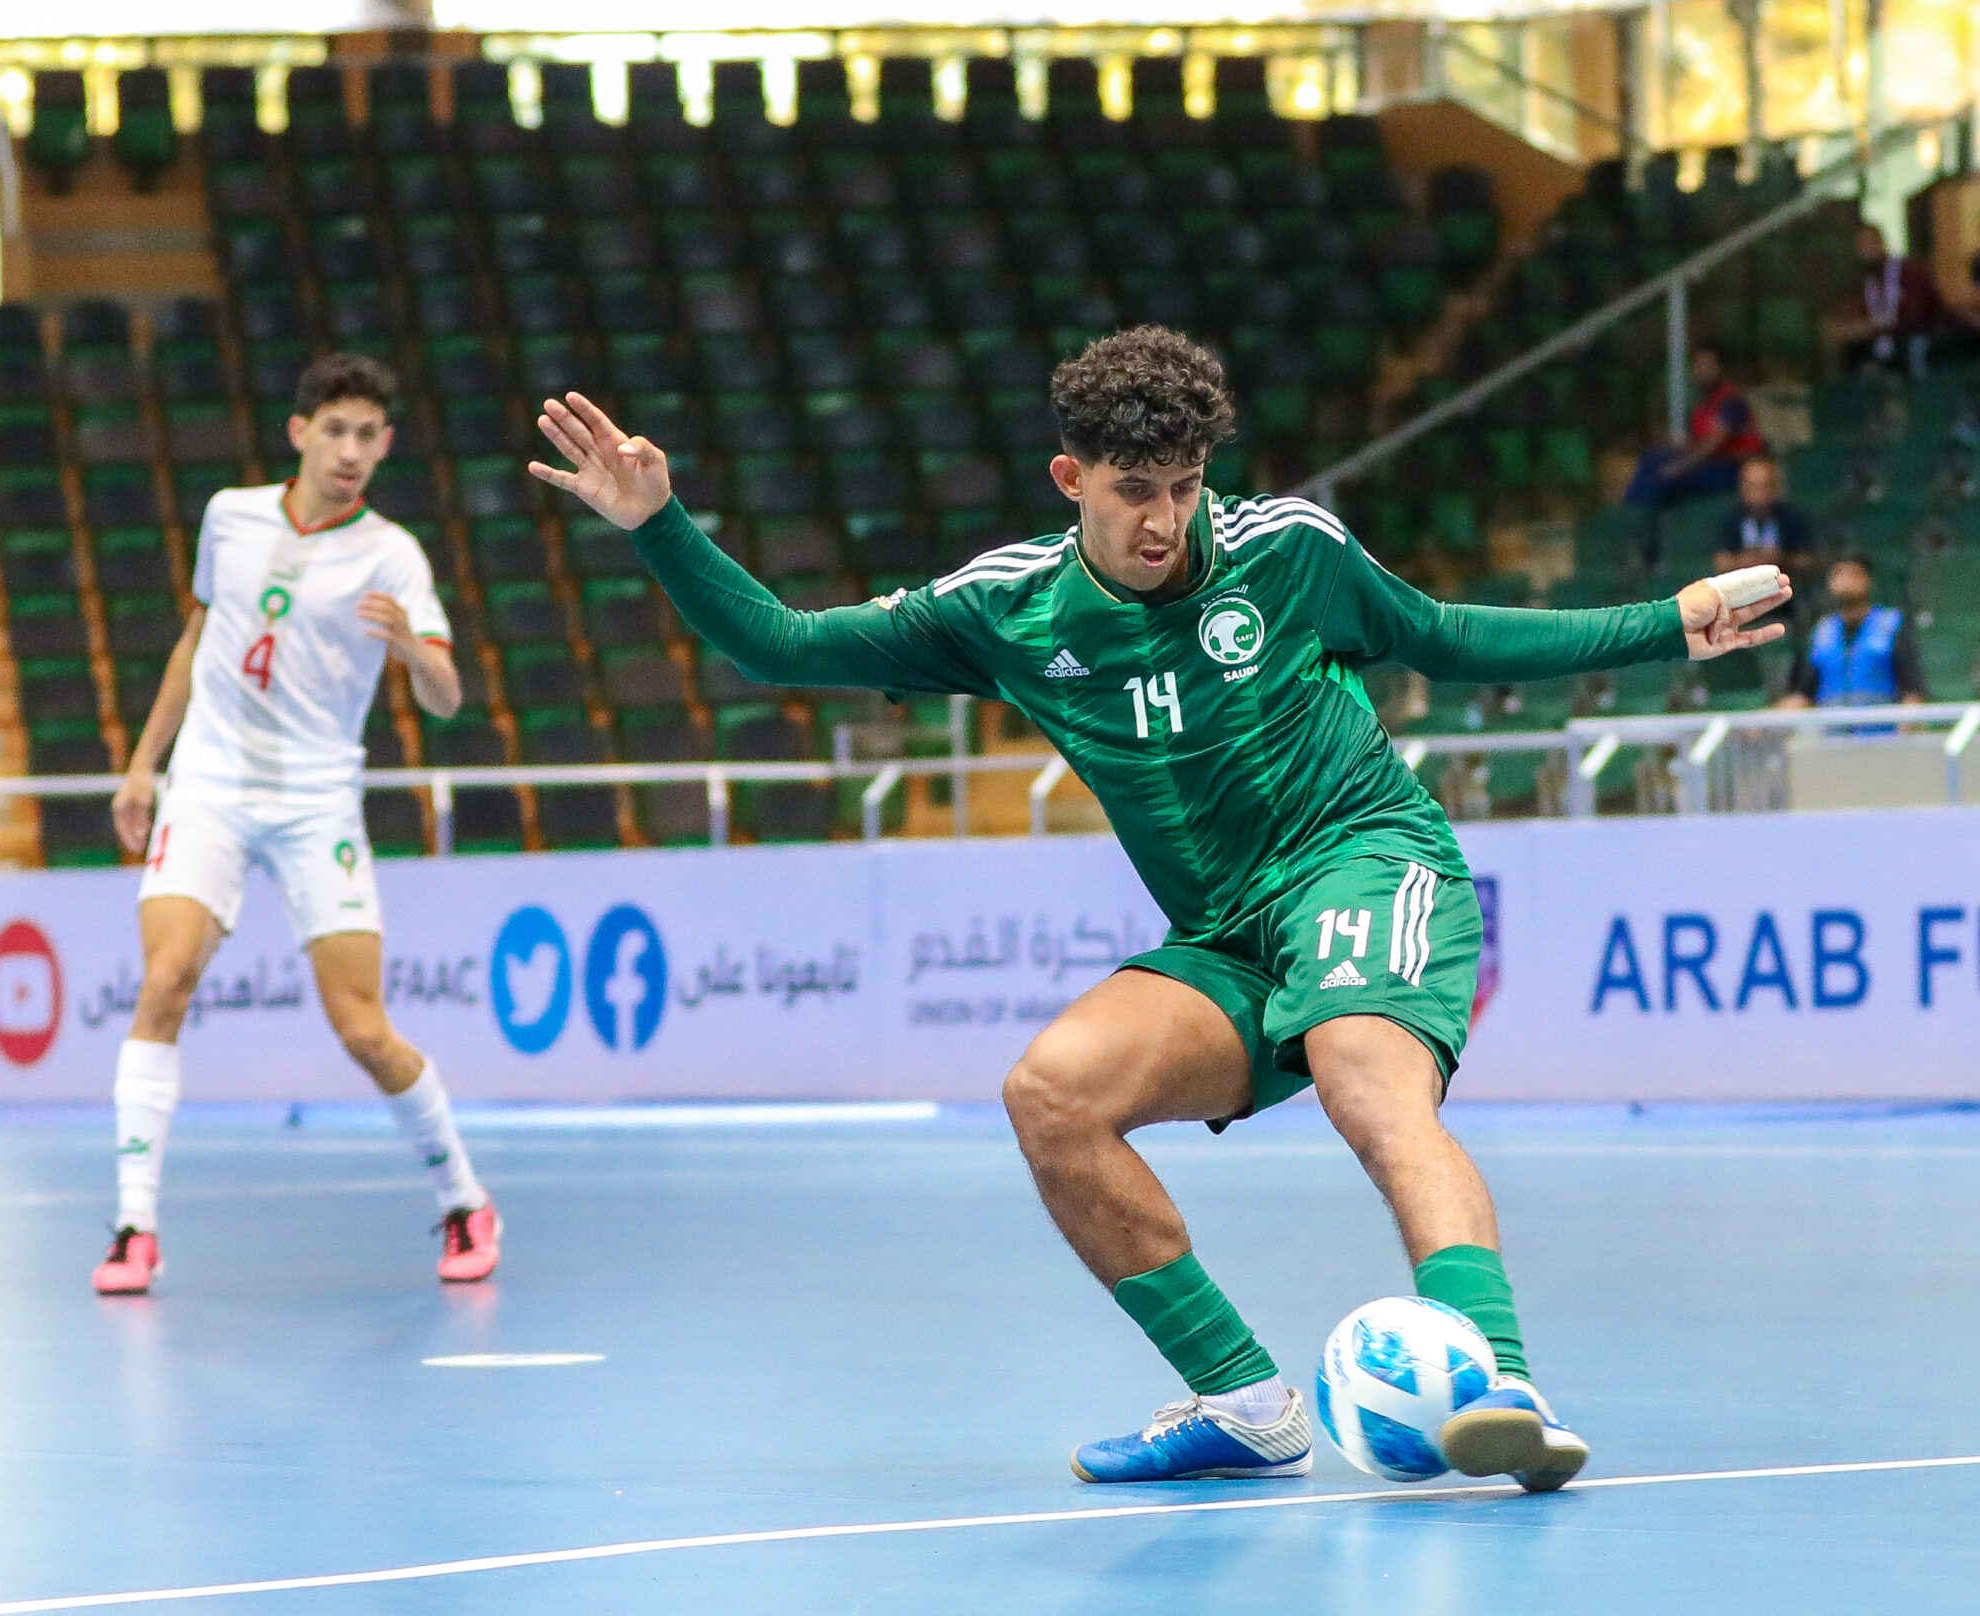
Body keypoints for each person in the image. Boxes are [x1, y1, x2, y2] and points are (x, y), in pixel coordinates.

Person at [530, 327, 1789, 1492]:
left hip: (1360, 857)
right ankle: (1242, 1402)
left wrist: (1666, 624)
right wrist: (659, 524)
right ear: (1069, 478)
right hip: (1225, 935)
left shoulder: (1287, 550)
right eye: (1135, 489)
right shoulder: (1007, 606)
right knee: (1051, 1095)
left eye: (1184, 486)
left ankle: (1502, 1380)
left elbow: (1441, 633)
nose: (1164, 519)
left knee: (1365, 1079)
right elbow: (782, 645)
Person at [99, 353, 500, 1297]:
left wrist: (411, 648)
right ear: (299, 433)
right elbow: (196, 641)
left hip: (319, 801)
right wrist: (144, 762)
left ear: (385, 445)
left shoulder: (394, 555)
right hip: (210, 784)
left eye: (367, 436)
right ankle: (132, 1227)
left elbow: (447, 697)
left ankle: (465, 1200)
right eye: (335, 431)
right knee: (166, 979)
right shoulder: (229, 518)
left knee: (362, 1029)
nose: (350, 451)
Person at [1624, 343, 1764, 526]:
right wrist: (1673, 449)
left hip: (1732, 469)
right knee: (1651, 458)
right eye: (1698, 366)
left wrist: (1679, 467)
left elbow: (1712, 446)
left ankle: (1638, 527)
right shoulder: (1703, 405)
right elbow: (1697, 441)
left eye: (1707, 366)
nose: (1702, 371)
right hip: (1710, 464)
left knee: (1663, 479)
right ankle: (1627, 514)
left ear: (1720, 368)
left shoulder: (1731, 401)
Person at [1776, 555, 1928, 707]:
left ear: (1867, 580)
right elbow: (1803, 693)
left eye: (1852, 574)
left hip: (1881, 720)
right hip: (1831, 719)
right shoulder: (1821, 631)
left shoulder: (1891, 625)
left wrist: (1908, 718)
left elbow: (1912, 691)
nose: (1845, 582)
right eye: (1839, 574)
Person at [1835, 222, 1973, 376]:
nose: (1866, 251)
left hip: (1927, 340)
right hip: (1888, 345)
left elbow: (1916, 317)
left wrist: (1872, 329)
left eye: (1869, 244)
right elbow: (1862, 316)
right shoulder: (1867, 282)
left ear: (1880, 243)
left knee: (1916, 345)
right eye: (1861, 247)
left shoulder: (1910, 273)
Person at [1713, 455, 1818, 582]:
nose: (1758, 494)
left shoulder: (1794, 518)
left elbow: (1809, 561)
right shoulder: (1730, 518)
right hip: (1740, 587)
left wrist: (1781, 558)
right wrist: (1744, 561)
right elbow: (1721, 562)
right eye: (1752, 486)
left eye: (1765, 486)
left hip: (1785, 585)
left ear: (1776, 488)